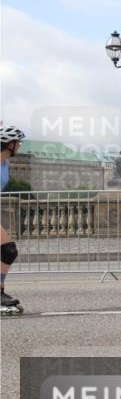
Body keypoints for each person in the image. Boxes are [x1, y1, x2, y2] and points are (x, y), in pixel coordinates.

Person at [1, 125, 26, 316]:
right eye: (18, 143)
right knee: (8, 250)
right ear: (10, 144)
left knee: (7, 250)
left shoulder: (5, 163)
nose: (20, 146)